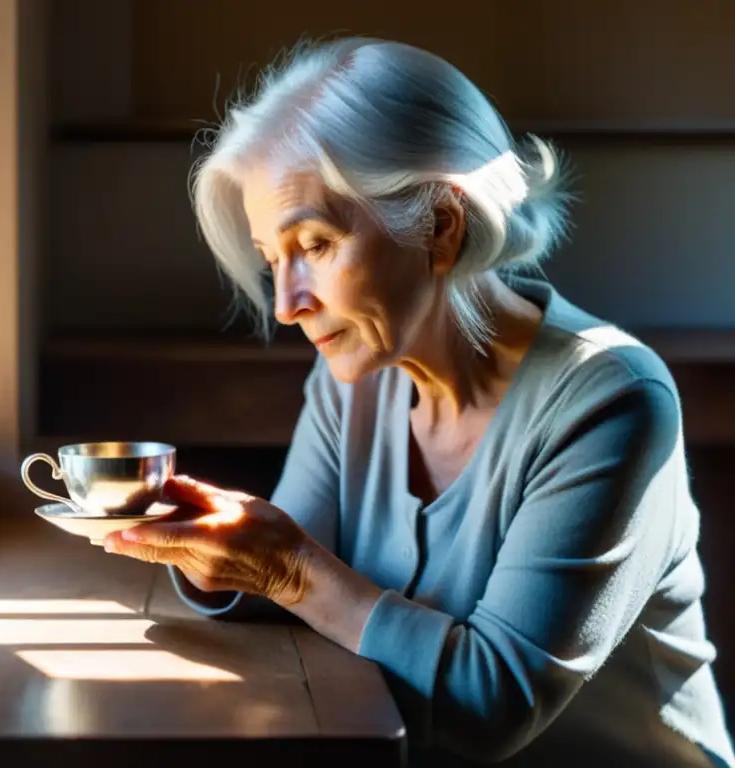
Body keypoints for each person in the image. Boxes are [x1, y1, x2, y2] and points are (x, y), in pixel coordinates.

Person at [101, 37, 735, 767]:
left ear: (440, 224)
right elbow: (301, 588)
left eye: (313, 243)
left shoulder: (612, 399)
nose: (284, 305)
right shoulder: (357, 378)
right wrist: (215, 543)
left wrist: (289, 569)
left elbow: (490, 707)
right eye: (272, 259)